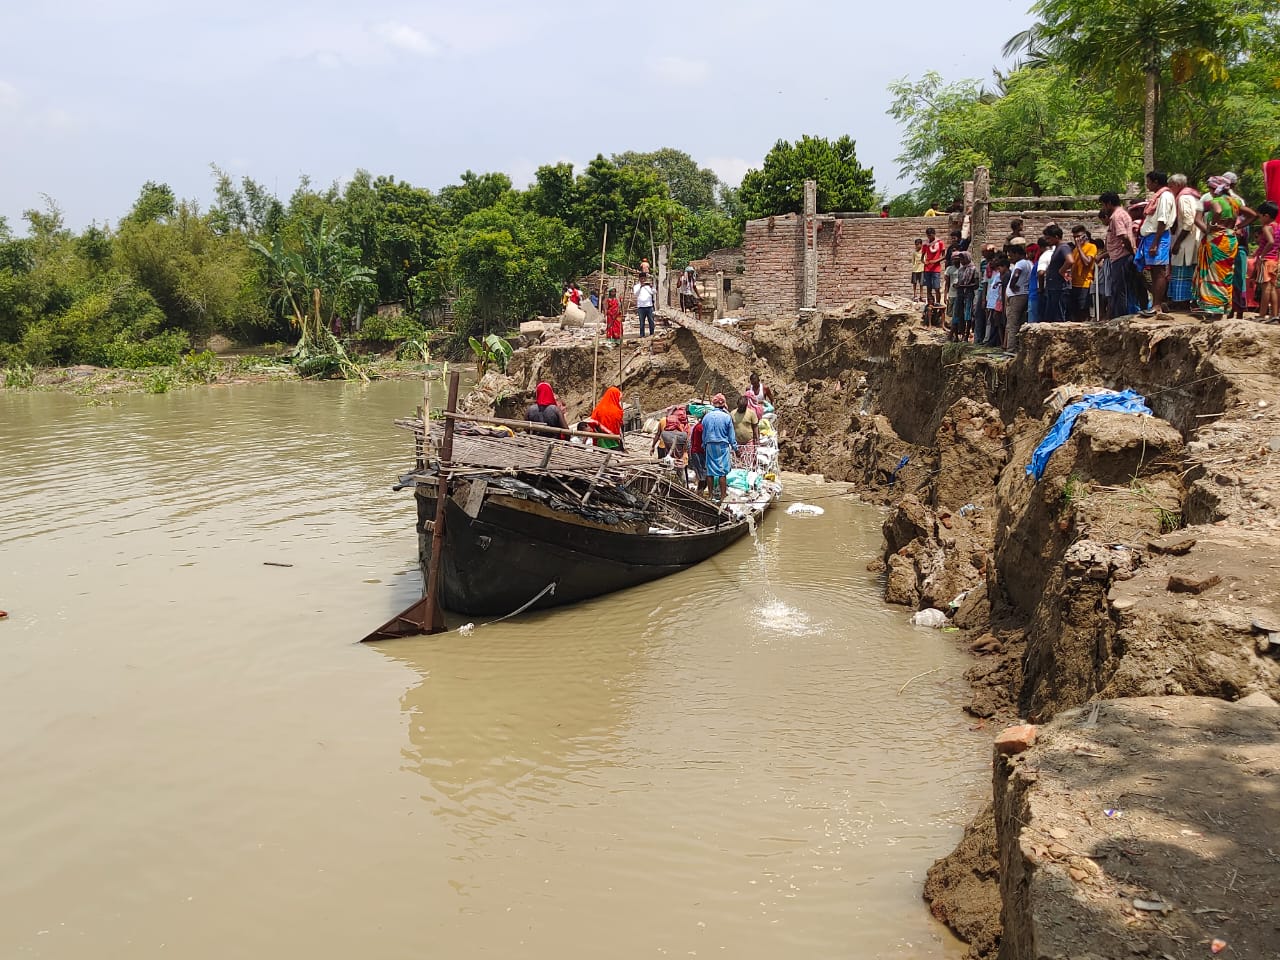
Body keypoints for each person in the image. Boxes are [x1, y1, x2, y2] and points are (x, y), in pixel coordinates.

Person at [1135, 171, 1175, 315]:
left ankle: (1157, 305)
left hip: (1158, 236)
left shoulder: (1164, 197)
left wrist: (1155, 243)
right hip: (1152, 236)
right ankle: (1157, 304)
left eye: (1149, 182)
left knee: (1159, 271)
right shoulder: (1160, 196)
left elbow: (1162, 220)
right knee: (1153, 270)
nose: (1147, 185)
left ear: (1156, 182)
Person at [1100, 192, 1137, 320]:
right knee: (1118, 288)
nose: (1103, 208)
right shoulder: (1120, 215)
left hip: (1121, 257)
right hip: (1118, 257)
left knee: (1121, 289)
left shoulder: (1117, 216)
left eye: (1103, 205)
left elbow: (1123, 236)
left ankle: (1122, 317)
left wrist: (1131, 251)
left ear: (1109, 203)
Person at [1168, 173, 1201, 310]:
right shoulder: (1193, 197)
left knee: (1183, 271)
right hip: (1191, 241)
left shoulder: (1183, 198)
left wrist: (1177, 243)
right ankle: (1188, 302)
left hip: (1186, 242)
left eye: (1171, 186)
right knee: (1190, 271)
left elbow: (1188, 222)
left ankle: (1183, 303)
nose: (1170, 190)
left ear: (1177, 185)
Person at [699, 394, 737, 503]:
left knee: (710, 471)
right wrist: (735, 448)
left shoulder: (706, 417)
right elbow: (731, 436)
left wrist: (704, 445)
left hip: (710, 445)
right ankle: (723, 496)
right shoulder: (727, 417)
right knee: (722, 472)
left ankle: (710, 495)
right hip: (722, 446)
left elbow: (704, 434)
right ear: (723, 405)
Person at [1253, 200, 1278, 321]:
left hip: (1266, 260)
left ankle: (1262, 315)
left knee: (1265, 288)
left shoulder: (1267, 227)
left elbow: (1271, 242)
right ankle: (1274, 315)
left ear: (1266, 215)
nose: (1260, 220)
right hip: (1274, 260)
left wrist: (1261, 256)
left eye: (1260, 217)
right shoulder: (1277, 226)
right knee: (1272, 288)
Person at [1069, 225, 1097, 321]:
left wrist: (1080, 248)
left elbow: (1086, 262)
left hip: (1085, 284)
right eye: (1074, 237)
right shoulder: (1075, 250)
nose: (1076, 239)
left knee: (1083, 310)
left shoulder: (1091, 247)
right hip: (1074, 284)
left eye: (1078, 236)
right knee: (1074, 311)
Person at [1005, 244, 1032, 347]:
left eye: (1011, 255)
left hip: (1017, 296)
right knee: (1021, 322)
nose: (1010, 258)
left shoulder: (1020, 263)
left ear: (1017, 254)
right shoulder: (1029, 263)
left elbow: (1016, 274)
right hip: (1024, 294)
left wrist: (1012, 285)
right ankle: (1019, 347)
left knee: (1012, 323)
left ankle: (1011, 348)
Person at [951, 250, 979, 343]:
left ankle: (966, 335)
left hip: (968, 294)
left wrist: (963, 286)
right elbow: (959, 281)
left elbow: (976, 284)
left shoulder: (973, 269)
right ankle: (956, 335)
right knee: (956, 313)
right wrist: (957, 285)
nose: (961, 261)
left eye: (962, 258)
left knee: (967, 314)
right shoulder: (961, 269)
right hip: (960, 293)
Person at [731, 395, 759, 469]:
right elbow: (730, 428)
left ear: (746, 406)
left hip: (748, 442)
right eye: (740, 407)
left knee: (748, 463)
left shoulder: (751, 413)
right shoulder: (732, 414)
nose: (741, 409)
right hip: (737, 442)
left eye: (743, 407)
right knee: (736, 463)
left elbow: (755, 426)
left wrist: (757, 439)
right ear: (737, 405)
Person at [921, 227, 945, 307]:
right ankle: (930, 303)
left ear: (934, 234)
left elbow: (944, 256)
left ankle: (938, 302)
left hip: (936, 268)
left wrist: (936, 261)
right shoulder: (926, 244)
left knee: (937, 287)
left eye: (931, 235)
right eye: (928, 236)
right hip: (927, 268)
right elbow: (922, 256)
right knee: (929, 287)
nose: (929, 237)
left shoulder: (940, 243)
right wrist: (924, 262)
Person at [688, 416, 708, 493]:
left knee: (701, 470)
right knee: (702, 471)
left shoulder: (697, 426)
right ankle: (700, 490)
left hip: (697, 451)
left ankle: (700, 489)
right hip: (699, 452)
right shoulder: (701, 428)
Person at [943, 251, 959, 324]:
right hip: (952, 293)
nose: (956, 260)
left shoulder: (963, 268)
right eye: (954, 259)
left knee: (957, 312)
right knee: (950, 313)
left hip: (960, 294)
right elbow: (947, 283)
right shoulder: (949, 269)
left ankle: (956, 327)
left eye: (957, 259)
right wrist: (945, 295)